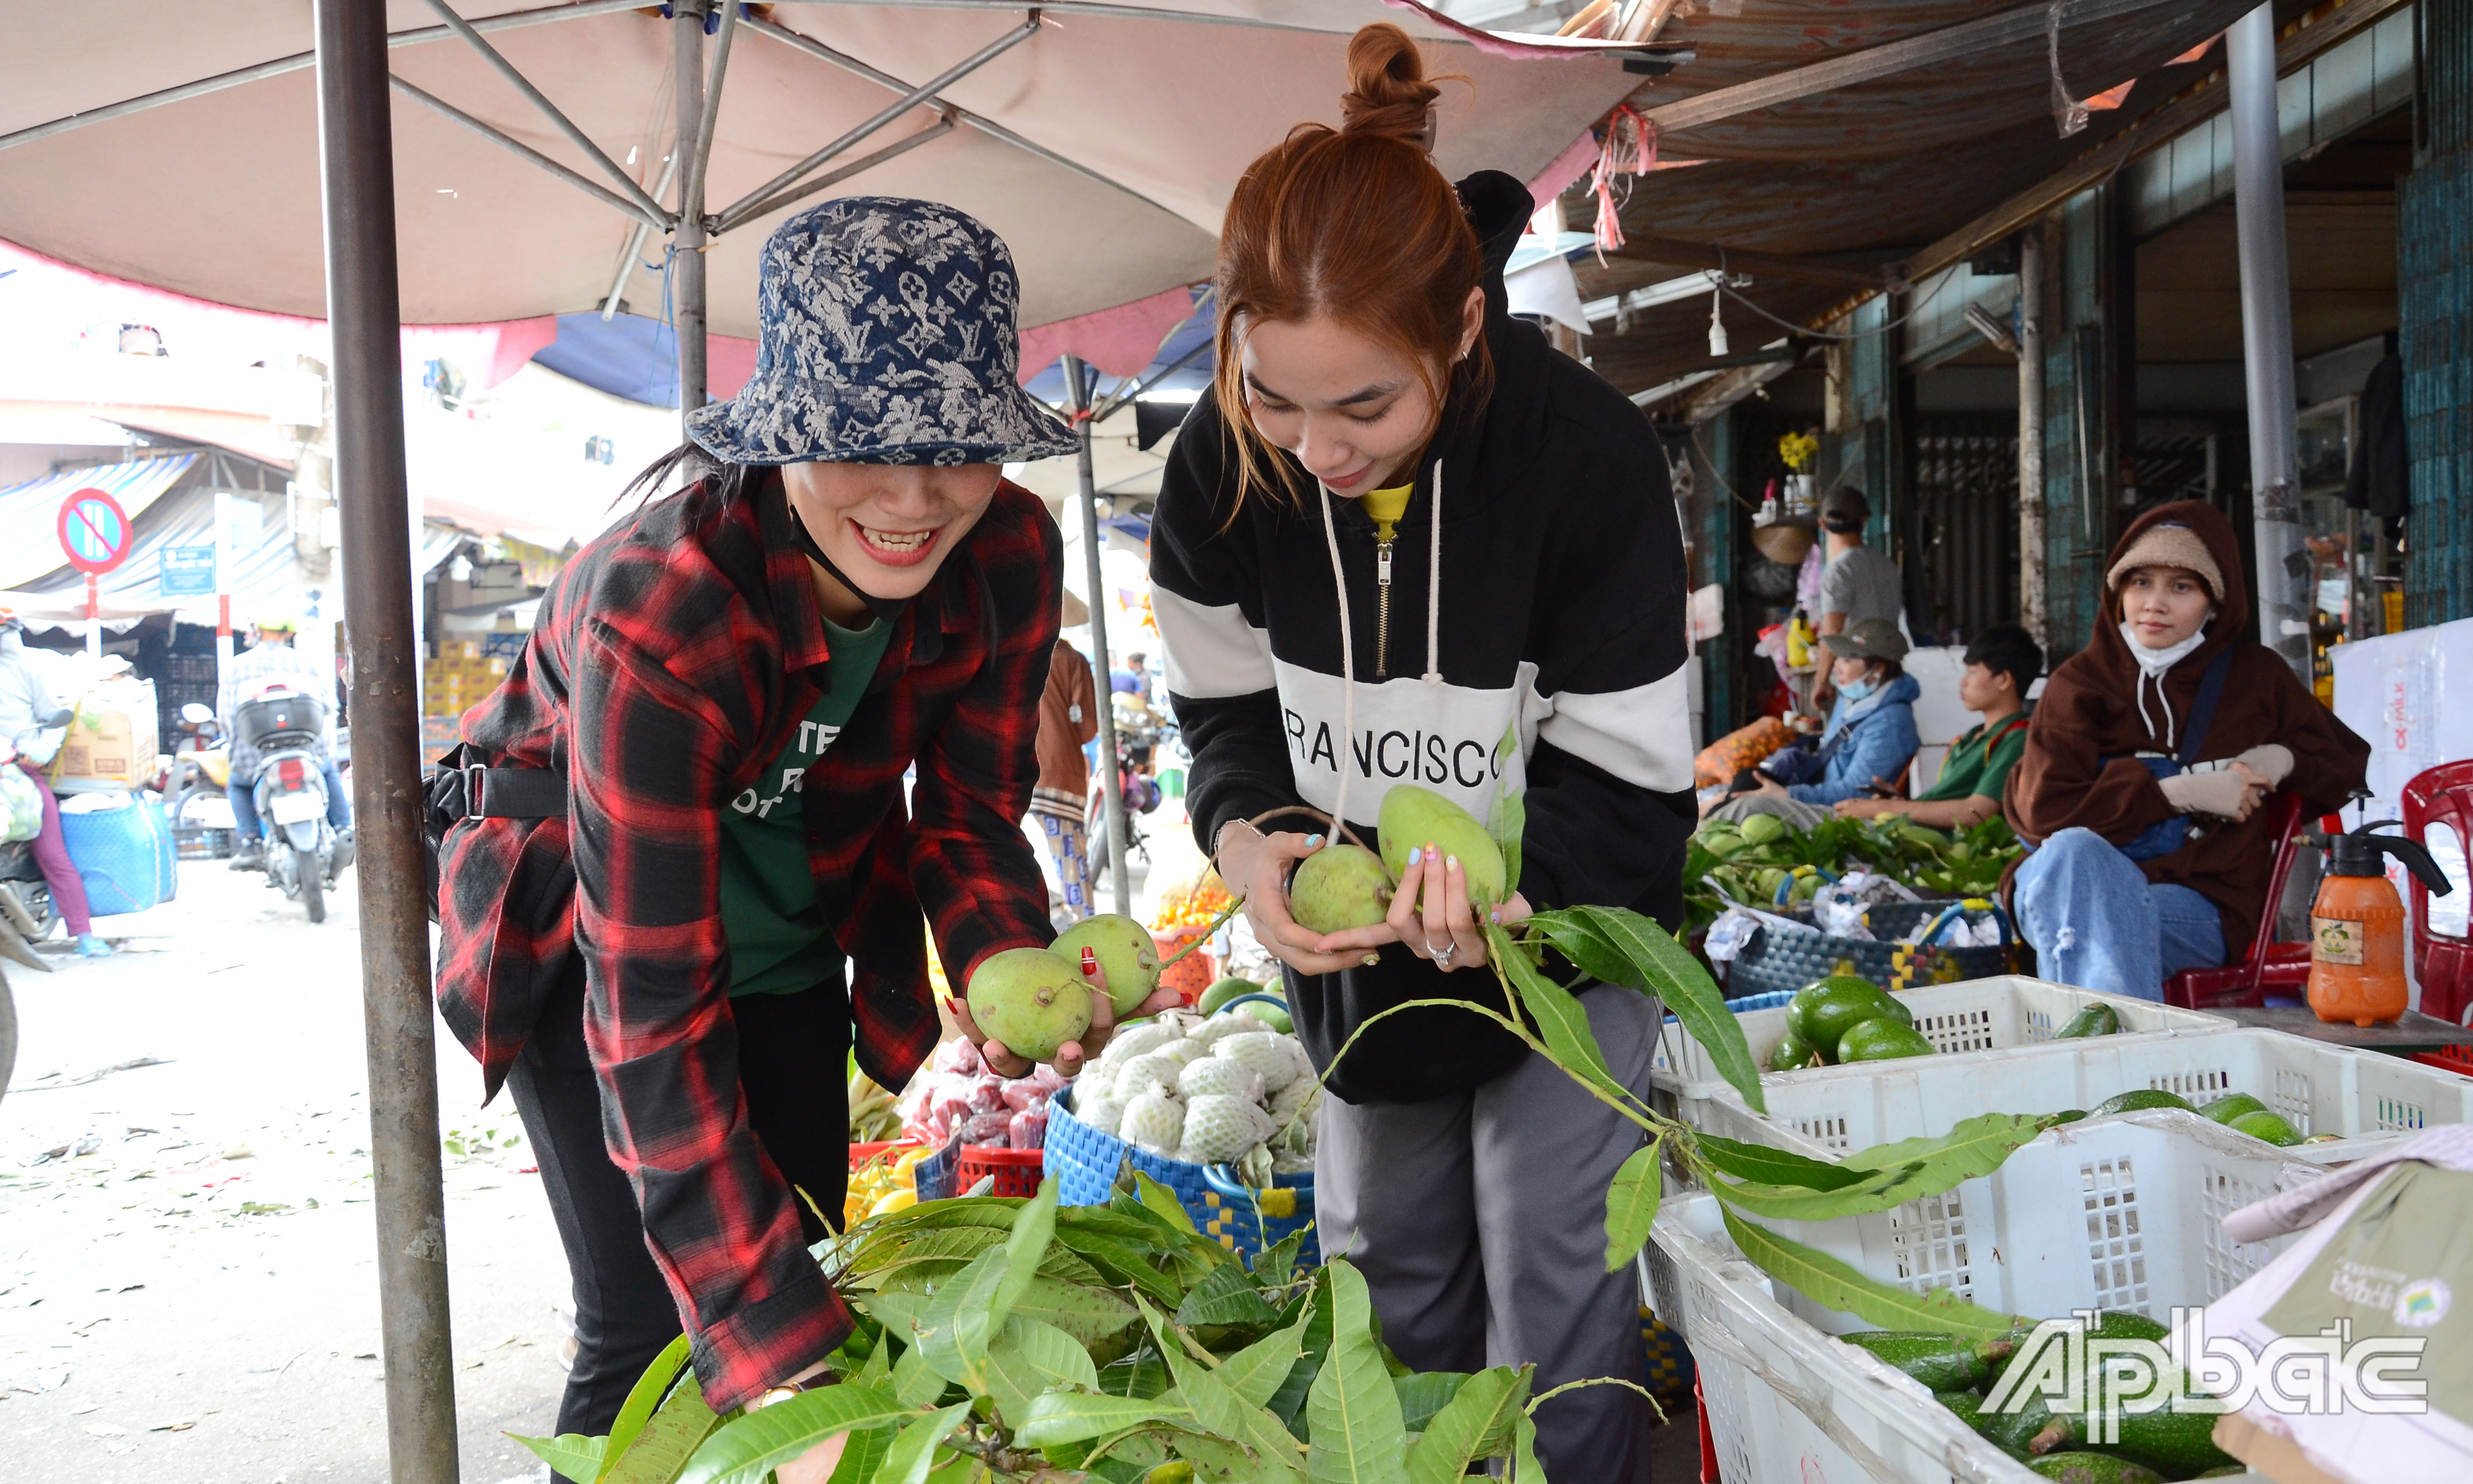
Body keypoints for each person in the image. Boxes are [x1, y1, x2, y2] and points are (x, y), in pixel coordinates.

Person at [430, 198, 1181, 1476]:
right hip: (590, 942)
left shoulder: (1007, 554)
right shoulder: (666, 601)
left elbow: (964, 815)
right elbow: (652, 1005)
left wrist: (1012, 972)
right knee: (656, 1332)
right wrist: (778, 1359)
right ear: (781, 438)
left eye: (956, 446)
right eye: (856, 445)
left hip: (790, 935)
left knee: (811, 1263)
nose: (912, 496)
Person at [1149, 26, 1696, 1479]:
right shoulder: (1216, 464)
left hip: (1561, 958)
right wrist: (1247, 837)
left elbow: (1634, 773)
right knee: (1384, 1284)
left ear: (1459, 331)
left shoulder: (1584, 462)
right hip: (1354, 972)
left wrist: (1523, 899)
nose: (1313, 449)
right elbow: (1221, 716)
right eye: (1275, 395)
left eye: (1362, 407)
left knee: (1554, 1287)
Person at [2008, 503, 2368, 1001]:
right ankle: (2128, 1059)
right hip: (2067, 882)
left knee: (2101, 921)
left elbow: (2345, 764)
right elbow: (2046, 814)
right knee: (2075, 856)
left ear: (2215, 602)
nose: (2155, 603)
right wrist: (2175, 793)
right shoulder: (2078, 684)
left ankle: (2095, 1055)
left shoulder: (2255, 677)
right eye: (2140, 583)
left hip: (2201, 899)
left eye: (2181, 587)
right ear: (2117, 591)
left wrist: (2281, 758)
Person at [1707, 616, 1920, 830]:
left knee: (1743, 807)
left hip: (1840, 812)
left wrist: (1789, 795)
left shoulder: (1891, 724)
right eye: (1838, 658)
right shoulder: (1855, 699)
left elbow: (1857, 794)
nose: (1837, 667)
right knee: (1746, 782)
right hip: (1819, 788)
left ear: (1878, 670)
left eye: (1847, 660)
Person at [1836, 623, 2041, 829]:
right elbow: (1949, 802)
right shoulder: (1970, 739)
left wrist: (1884, 809)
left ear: (2004, 680)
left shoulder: (2016, 739)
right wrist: (1899, 803)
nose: (1963, 682)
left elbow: (1976, 812)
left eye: (1972, 672)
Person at [0, 612, 109, 957]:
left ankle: (84, 934)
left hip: (20, 774)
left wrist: (42, 748)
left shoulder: (28, 669)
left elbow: (56, 719)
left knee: (52, 853)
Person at [217, 616, 349, 869]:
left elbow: (226, 716)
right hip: (307, 750)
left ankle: (251, 842)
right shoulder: (303, 663)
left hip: (255, 756)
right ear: (288, 634)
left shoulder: (237, 666)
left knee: (237, 785)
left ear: (258, 630)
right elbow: (327, 706)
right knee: (328, 770)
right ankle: (344, 827)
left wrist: (234, 745)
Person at [1031, 635, 1100, 922]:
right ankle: (1084, 935)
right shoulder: (1072, 659)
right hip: (1061, 774)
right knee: (1071, 865)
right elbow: (1088, 727)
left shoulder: (1018, 652)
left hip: (1019, 773)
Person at [1813, 485, 1902, 707]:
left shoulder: (1838, 571)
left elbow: (1832, 630)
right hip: (1889, 673)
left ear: (1822, 524)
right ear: (1864, 521)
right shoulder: (1887, 565)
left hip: (1857, 678)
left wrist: (1821, 681)